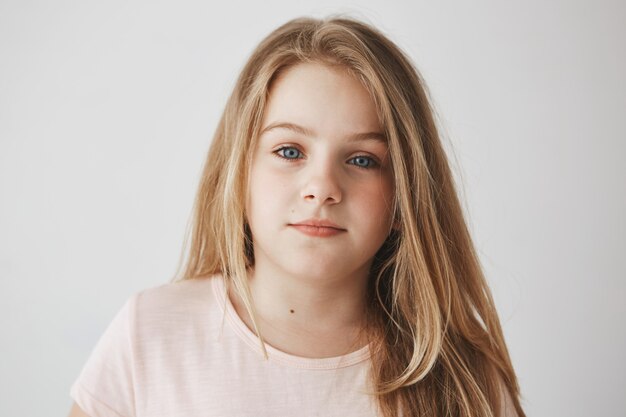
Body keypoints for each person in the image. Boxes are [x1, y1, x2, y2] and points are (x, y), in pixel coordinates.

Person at [67, 15, 525, 417]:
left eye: (363, 159)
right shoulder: (150, 334)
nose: (322, 187)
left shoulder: (465, 379)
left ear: (406, 199)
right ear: (237, 173)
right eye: (290, 151)